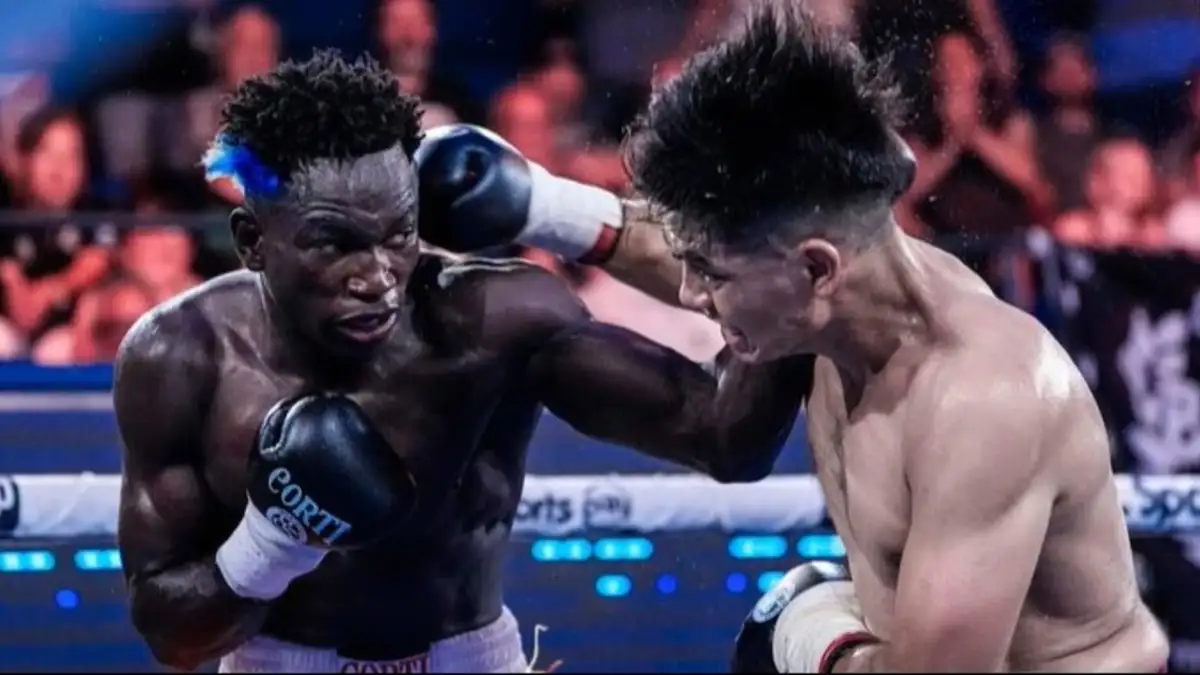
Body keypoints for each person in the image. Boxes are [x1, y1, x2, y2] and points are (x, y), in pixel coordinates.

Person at [414, 5, 1171, 671]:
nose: (691, 294)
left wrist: (814, 636)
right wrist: (545, 205)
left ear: (815, 268)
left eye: (711, 275)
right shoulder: (839, 298)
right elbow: (712, 252)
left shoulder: (981, 401)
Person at [114, 50, 812, 674]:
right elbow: (173, 638)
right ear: (253, 241)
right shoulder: (182, 354)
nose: (377, 277)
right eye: (335, 244)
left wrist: (790, 231)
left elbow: (724, 435)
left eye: (398, 236)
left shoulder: (491, 320)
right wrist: (272, 542)